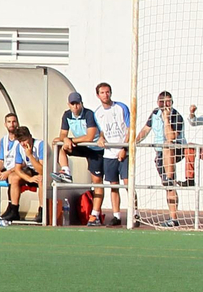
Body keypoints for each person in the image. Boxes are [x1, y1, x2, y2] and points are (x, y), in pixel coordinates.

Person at [135, 91, 187, 228]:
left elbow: (170, 137)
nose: (165, 104)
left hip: (176, 149)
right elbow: (145, 130)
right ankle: (172, 218)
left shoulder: (176, 116)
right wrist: (133, 143)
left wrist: (166, 119)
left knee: (166, 146)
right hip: (160, 153)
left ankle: (170, 179)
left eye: (168, 101)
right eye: (161, 101)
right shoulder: (154, 113)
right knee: (166, 185)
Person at [88, 82, 130, 226]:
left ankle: (134, 214)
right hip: (109, 154)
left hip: (123, 152)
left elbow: (129, 128)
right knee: (113, 185)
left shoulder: (121, 107)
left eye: (107, 92)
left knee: (128, 184)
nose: (105, 95)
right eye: (102, 93)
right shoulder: (97, 113)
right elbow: (102, 131)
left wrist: (124, 148)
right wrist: (101, 138)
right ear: (98, 95)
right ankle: (116, 215)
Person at [53, 90, 100, 187]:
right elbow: (62, 134)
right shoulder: (67, 115)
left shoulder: (89, 114)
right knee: (57, 142)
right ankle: (66, 172)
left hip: (96, 148)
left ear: (81, 104)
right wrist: (65, 139)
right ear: (68, 104)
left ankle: (131, 197)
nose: (75, 106)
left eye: (77, 103)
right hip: (82, 145)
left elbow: (90, 137)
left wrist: (70, 140)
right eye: (72, 104)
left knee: (97, 181)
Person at [1, 126, 46, 223]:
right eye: (20, 141)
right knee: (13, 177)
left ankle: (42, 210)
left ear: (30, 137)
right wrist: (29, 179)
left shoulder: (40, 145)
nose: (23, 144)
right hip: (30, 170)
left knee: (41, 179)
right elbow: (17, 169)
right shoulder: (19, 147)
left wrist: (30, 155)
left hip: (44, 171)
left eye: (25, 140)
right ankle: (14, 210)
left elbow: (42, 170)